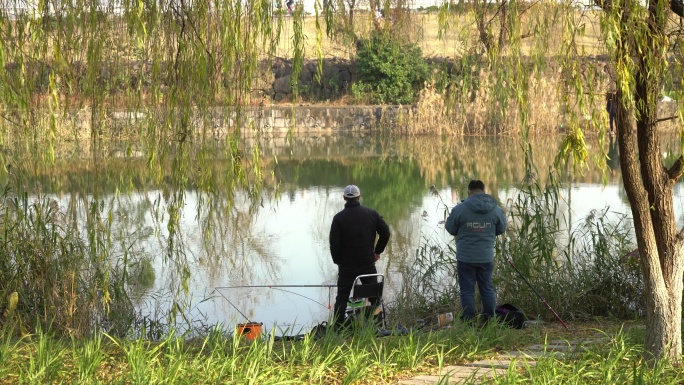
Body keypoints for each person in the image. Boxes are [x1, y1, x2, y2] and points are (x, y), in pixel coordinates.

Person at [329, 184, 390, 330]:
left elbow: (334, 244)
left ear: (344, 198)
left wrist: (338, 261)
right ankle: (379, 325)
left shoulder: (338, 218)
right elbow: (386, 233)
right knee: (375, 296)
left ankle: (337, 328)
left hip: (347, 266)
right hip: (367, 263)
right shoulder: (371, 214)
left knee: (342, 298)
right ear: (359, 197)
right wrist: (377, 251)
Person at [445, 180, 507, 324]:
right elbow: (501, 229)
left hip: (465, 257)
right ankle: (490, 319)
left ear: (469, 192)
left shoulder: (460, 209)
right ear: (484, 191)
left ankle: (468, 321)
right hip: (486, 257)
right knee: (487, 288)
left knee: (467, 291)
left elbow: (450, 229)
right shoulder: (496, 209)